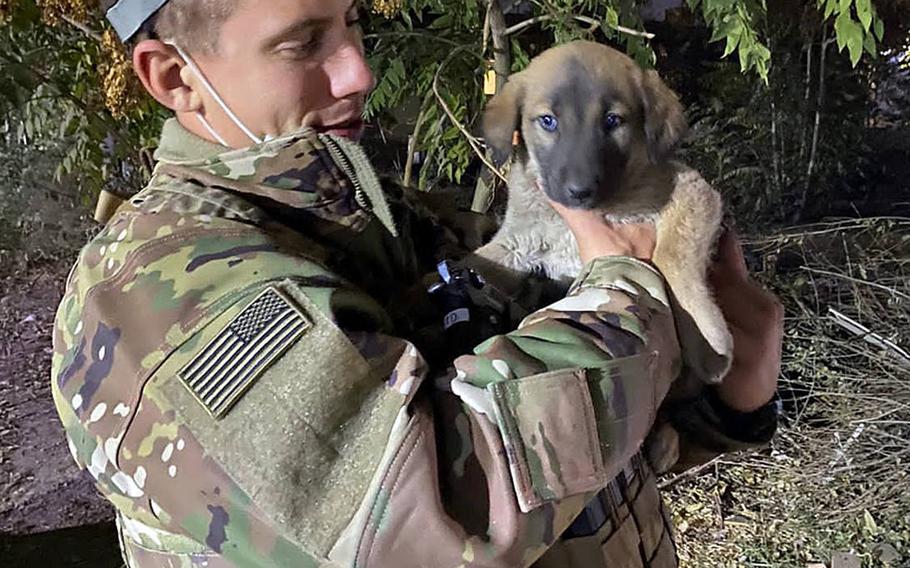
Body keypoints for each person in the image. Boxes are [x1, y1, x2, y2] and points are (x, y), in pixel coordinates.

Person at [50, 1, 783, 566]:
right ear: (175, 78)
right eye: (303, 42)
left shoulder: (400, 223)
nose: (358, 70)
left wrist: (723, 400)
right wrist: (630, 298)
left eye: (351, 23)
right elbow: (427, 523)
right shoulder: (151, 294)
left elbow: (585, 463)